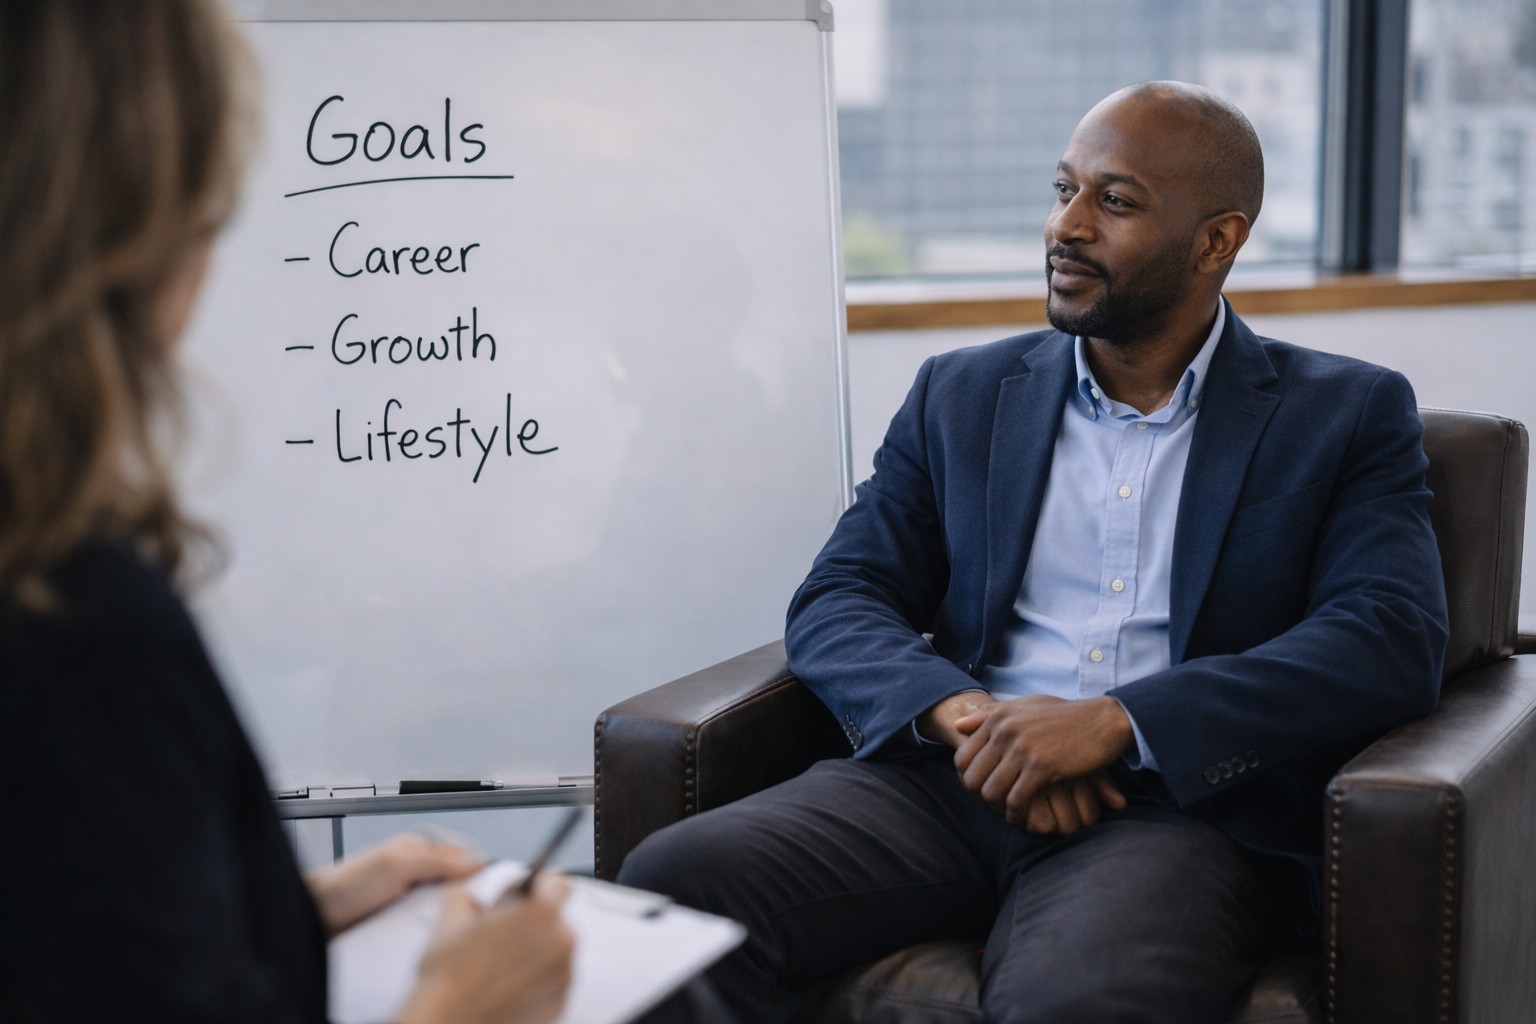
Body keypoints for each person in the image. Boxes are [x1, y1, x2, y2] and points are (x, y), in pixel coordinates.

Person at [617, 81, 1449, 1022]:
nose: (1068, 225)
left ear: (1217, 241)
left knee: (1078, 999)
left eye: (1115, 200)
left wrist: (1115, 723)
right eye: (1063, 190)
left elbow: (1385, 637)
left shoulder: (1344, 412)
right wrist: (974, 722)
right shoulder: (961, 394)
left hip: (1170, 814)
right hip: (945, 783)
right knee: (673, 883)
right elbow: (843, 595)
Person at [0, 2, 573, 1022]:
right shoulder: (75, 623)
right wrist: (460, 1003)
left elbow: (73, 945)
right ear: (141, 232)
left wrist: (298, 908)